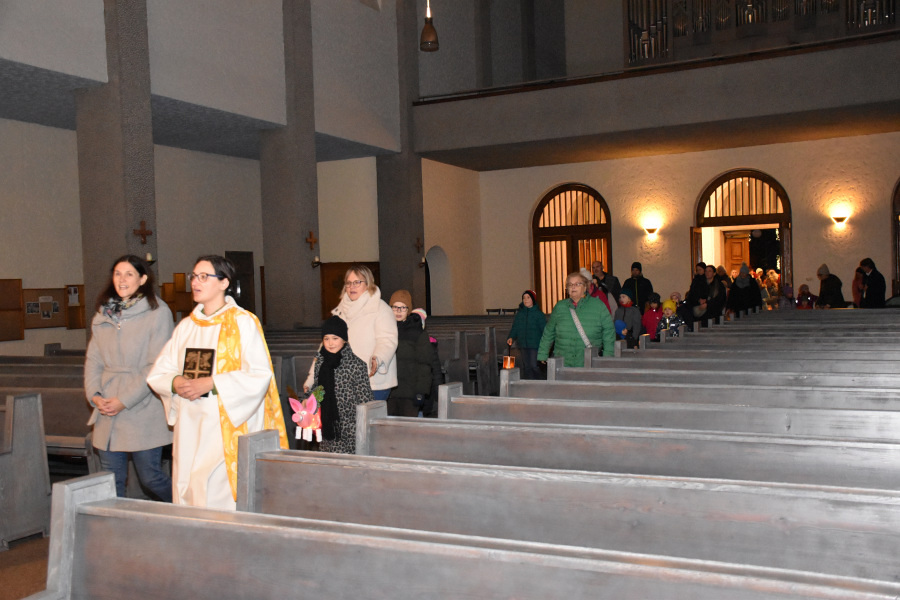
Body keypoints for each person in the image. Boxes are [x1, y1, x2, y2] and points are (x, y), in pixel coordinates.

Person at [147, 255, 288, 510]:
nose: (195, 282)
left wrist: (211, 384)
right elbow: (161, 371)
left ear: (224, 283)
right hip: (190, 426)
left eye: (204, 277)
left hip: (224, 425)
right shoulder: (186, 326)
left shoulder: (243, 322)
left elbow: (259, 374)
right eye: (193, 276)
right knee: (189, 489)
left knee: (217, 496)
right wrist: (176, 382)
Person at [84, 255, 174, 501]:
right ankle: (116, 523)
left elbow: (155, 364)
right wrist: (95, 395)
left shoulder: (157, 312)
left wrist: (123, 400)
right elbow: (93, 360)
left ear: (143, 279)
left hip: (141, 403)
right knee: (110, 479)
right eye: (117, 273)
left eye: (129, 274)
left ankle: (186, 510)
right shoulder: (104, 313)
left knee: (151, 477)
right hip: (107, 405)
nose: (121, 279)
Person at [305, 265, 398, 401]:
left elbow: (387, 340)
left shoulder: (381, 309)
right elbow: (325, 348)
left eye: (357, 282)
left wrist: (378, 358)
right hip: (344, 382)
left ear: (368, 284)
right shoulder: (341, 311)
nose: (351, 287)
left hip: (372, 382)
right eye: (348, 283)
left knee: (365, 416)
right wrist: (311, 380)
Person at [311, 316, 374, 453]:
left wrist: (362, 427)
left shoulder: (356, 364)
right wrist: (307, 401)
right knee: (329, 462)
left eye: (335, 338)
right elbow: (317, 389)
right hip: (327, 423)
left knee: (347, 462)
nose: (330, 343)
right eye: (326, 339)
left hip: (350, 427)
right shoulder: (320, 362)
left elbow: (366, 400)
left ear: (344, 339)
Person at [537, 271, 615, 367]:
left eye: (577, 284)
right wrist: (543, 353)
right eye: (570, 284)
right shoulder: (560, 307)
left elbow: (609, 332)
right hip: (563, 362)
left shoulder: (598, 306)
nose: (573, 287)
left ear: (585, 287)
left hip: (589, 363)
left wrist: (607, 357)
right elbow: (549, 332)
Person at [388, 290, 433, 417]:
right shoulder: (385, 330)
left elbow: (424, 364)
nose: (398, 311)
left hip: (410, 391)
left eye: (403, 307)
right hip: (389, 391)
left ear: (408, 310)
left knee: (407, 426)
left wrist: (421, 391)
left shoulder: (417, 332)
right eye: (395, 307)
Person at [506, 289, 547, 380]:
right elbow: (515, 327)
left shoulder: (539, 314)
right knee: (527, 367)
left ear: (533, 300)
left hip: (535, 345)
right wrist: (511, 337)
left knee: (534, 366)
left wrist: (545, 345)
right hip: (523, 344)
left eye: (528, 298)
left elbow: (545, 330)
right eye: (524, 298)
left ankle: (541, 382)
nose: (526, 300)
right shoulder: (520, 315)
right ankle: (529, 384)